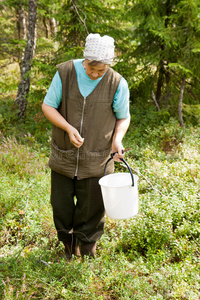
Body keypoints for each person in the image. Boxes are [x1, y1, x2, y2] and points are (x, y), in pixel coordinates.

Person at [42, 33, 130, 259]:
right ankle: (69, 248)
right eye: (92, 68)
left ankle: (88, 249)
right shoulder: (65, 73)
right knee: (61, 206)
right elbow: (48, 106)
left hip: (97, 159)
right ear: (85, 60)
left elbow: (123, 117)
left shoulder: (117, 82)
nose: (95, 74)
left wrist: (117, 140)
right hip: (64, 156)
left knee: (91, 209)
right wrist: (69, 128)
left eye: (101, 71)